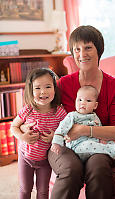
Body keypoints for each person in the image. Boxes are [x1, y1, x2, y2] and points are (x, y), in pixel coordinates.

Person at [20, 25, 115, 199]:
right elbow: (38, 109)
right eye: (76, 49)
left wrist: (85, 130)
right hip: (63, 145)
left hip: (99, 145)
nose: (82, 54)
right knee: (70, 168)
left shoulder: (114, 85)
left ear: (99, 50)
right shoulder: (63, 84)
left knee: (98, 166)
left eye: (88, 48)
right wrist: (25, 128)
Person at [10, 68, 67, 199]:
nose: (43, 92)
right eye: (37, 88)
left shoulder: (59, 112)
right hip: (25, 157)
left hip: (45, 161)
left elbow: (67, 133)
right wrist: (22, 136)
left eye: (48, 86)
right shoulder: (28, 110)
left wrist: (55, 137)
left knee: (42, 191)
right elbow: (14, 126)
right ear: (31, 90)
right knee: (25, 189)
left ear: (54, 88)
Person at [51, 85, 115, 162]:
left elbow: (99, 130)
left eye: (88, 101)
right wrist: (56, 143)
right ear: (75, 101)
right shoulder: (72, 115)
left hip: (95, 143)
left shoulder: (95, 117)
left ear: (95, 105)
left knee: (108, 143)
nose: (83, 103)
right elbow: (61, 129)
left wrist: (102, 140)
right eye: (80, 100)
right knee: (89, 145)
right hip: (78, 146)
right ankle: (112, 151)